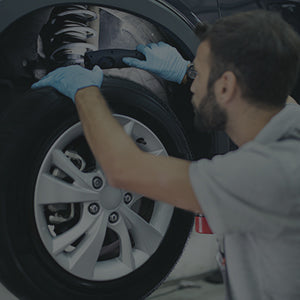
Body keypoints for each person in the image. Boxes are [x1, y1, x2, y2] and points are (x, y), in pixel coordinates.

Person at [32, 10, 300, 300]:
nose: (193, 85)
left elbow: (125, 171)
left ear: (226, 86)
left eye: (200, 73)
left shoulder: (265, 175)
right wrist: (184, 71)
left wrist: (84, 92)